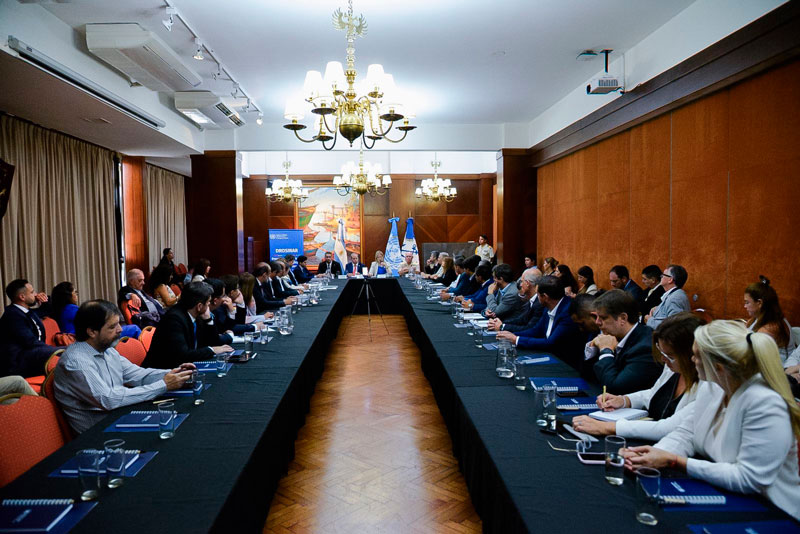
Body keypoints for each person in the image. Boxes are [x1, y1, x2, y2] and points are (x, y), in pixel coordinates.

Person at [621, 321, 800, 521]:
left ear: (718, 367)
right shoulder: (712, 386)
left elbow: (748, 478)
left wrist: (675, 461)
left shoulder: (765, 403)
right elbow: (686, 433)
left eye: (697, 355)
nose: (692, 360)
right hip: (727, 496)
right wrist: (654, 455)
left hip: (772, 513)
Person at [54, 300, 195, 433]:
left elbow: (139, 376)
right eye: (112, 327)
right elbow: (108, 399)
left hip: (121, 417)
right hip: (100, 434)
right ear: (92, 332)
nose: (120, 329)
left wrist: (176, 374)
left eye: (118, 324)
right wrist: (163, 385)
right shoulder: (76, 362)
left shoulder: (107, 351)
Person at [573, 312, 703, 440]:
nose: (663, 359)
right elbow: (654, 393)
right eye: (662, 353)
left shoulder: (706, 385)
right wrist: (624, 400)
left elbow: (669, 428)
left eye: (670, 356)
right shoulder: (673, 367)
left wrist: (607, 427)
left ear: (691, 354)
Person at [142, 282, 233, 369]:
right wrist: (211, 350)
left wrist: (208, 320)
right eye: (208, 302)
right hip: (162, 371)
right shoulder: (174, 319)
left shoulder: (195, 314)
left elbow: (212, 342)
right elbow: (183, 355)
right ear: (199, 306)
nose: (209, 304)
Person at [495, 276, 583, 366]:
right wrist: (512, 335)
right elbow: (536, 330)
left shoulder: (568, 312)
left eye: (537, 294)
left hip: (565, 363)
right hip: (549, 356)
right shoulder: (549, 306)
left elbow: (551, 343)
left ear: (545, 297)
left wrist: (517, 339)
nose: (536, 298)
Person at [590, 289, 662, 394]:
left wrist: (606, 351)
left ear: (623, 318)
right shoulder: (614, 336)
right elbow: (589, 378)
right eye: (596, 317)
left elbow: (616, 388)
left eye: (603, 318)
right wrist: (594, 350)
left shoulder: (645, 348)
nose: (597, 322)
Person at [0, 279, 59, 378]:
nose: (36, 294)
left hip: (34, 355)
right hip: (19, 363)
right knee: (67, 351)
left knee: (71, 350)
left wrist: (45, 300)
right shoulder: (12, 315)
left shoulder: (26, 311)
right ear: (22, 297)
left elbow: (46, 311)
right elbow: (30, 342)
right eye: (32, 292)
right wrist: (52, 350)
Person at [52, 281, 140, 340]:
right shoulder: (70, 309)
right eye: (75, 292)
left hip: (85, 337)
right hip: (88, 339)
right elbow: (94, 321)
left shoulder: (61, 310)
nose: (76, 295)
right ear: (68, 296)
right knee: (134, 329)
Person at [743, 276, 796, 365]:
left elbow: (748, 354)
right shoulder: (761, 316)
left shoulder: (769, 328)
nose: (745, 306)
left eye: (747, 302)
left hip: (778, 369)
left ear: (759, 303)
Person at [488, 268, 544, 333]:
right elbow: (521, 319)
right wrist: (500, 324)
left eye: (522, 281)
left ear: (527, 283)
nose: (520, 285)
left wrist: (502, 326)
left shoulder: (539, 303)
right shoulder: (532, 300)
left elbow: (530, 328)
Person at [645, 264, 690, 329]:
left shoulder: (675, 298)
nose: (661, 277)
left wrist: (650, 320)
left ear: (670, 280)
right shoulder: (674, 294)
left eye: (663, 275)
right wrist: (658, 309)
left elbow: (674, 326)